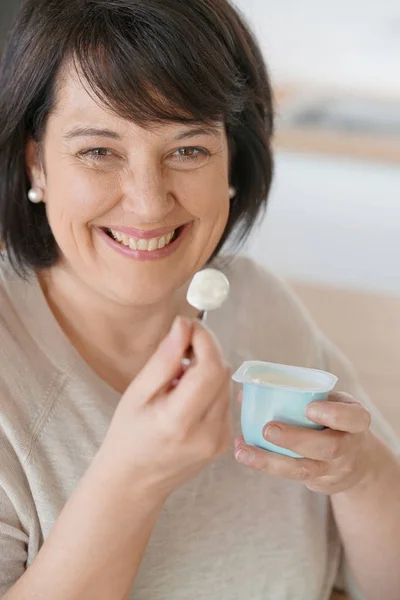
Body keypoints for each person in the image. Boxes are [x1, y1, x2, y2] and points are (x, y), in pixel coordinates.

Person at [0, 1, 399, 599]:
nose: (148, 202)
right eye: (98, 151)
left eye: (188, 150)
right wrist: (132, 481)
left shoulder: (260, 304)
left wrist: (360, 472)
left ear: (232, 161)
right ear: (38, 163)